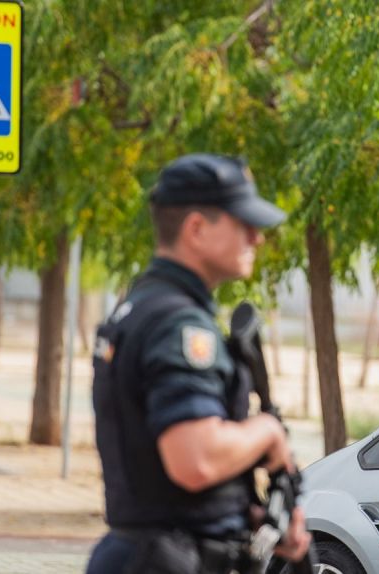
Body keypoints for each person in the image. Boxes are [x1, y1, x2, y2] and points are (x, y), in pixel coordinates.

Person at [87, 153, 310, 573]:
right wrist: (267, 432)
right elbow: (196, 461)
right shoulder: (179, 325)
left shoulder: (142, 306)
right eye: (243, 224)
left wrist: (253, 521)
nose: (257, 239)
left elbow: (163, 486)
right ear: (196, 229)